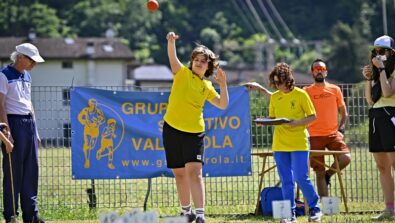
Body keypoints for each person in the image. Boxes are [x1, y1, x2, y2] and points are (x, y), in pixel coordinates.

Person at [163, 32, 229, 223]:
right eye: (196, 59)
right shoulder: (182, 73)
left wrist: (223, 85)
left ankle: (200, 215)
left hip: (194, 133)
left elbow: (223, 104)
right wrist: (171, 41)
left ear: (208, 66)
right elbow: (172, 58)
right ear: (191, 61)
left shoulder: (207, 86)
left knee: (195, 173)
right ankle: (186, 213)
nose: (199, 62)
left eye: (203, 61)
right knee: (179, 174)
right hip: (171, 129)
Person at [246, 63, 322, 223]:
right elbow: (273, 118)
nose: (277, 85)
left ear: (288, 79)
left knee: (302, 177)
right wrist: (264, 121)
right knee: (286, 180)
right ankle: (290, 214)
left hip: (299, 142)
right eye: (275, 83)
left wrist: (297, 123)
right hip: (279, 144)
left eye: (279, 82)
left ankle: (315, 209)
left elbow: (312, 116)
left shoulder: (301, 95)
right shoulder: (275, 97)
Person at [0, 43, 45, 223]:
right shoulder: (3, 75)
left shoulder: (27, 76)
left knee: (31, 171)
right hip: (13, 123)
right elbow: (0, 105)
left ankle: (31, 214)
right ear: (20, 57)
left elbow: (29, 103)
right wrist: (7, 131)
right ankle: (11, 215)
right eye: (31, 60)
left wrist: (36, 130)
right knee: (13, 171)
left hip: (29, 124)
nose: (34, 64)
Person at [304, 59, 351, 197]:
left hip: (333, 134)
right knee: (318, 172)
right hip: (313, 135)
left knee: (346, 158)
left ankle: (328, 174)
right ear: (312, 73)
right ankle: (325, 207)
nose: (319, 71)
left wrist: (341, 130)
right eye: (316, 69)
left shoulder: (335, 89)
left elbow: (344, 112)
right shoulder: (306, 91)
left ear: (326, 72)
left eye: (321, 69)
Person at [362, 35, 395, 221]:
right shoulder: (377, 71)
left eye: (382, 51)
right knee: (382, 166)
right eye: (376, 51)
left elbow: (389, 91)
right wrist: (368, 78)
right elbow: (370, 99)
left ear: (391, 53)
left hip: (391, 115)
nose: (379, 54)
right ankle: (389, 209)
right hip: (376, 116)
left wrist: (381, 69)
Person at [77, 98, 105, 168]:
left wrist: (98, 123)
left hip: (95, 130)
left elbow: (103, 120)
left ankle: (86, 148)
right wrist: (84, 122)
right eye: (93, 103)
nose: (94, 104)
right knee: (88, 145)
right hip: (87, 129)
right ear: (90, 104)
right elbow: (79, 117)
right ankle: (87, 160)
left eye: (95, 103)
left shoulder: (98, 111)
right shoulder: (85, 110)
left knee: (92, 146)